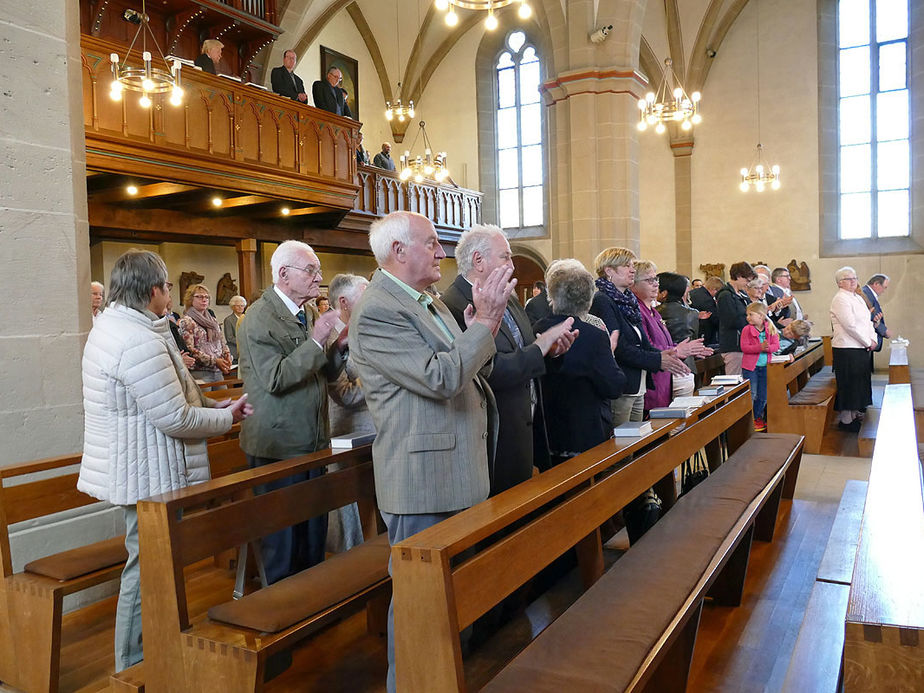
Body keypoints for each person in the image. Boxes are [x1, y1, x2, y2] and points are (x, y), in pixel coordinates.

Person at [348, 210, 514, 693]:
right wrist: (484, 322)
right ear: (398, 252)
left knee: (452, 598)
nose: (441, 253)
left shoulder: (430, 302)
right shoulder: (379, 309)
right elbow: (440, 378)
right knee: (420, 605)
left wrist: (476, 330)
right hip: (423, 480)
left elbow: (462, 367)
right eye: (430, 244)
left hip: (456, 467)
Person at [77, 249, 252, 671]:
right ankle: (133, 664)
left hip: (141, 465)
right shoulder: (134, 339)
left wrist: (213, 403)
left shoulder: (126, 328)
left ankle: (158, 650)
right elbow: (174, 415)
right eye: (168, 285)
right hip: (145, 471)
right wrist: (225, 417)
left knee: (152, 563)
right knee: (147, 566)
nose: (170, 292)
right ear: (153, 289)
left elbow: (177, 392)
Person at [237, 240, 346, 583]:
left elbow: (320, 374)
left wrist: (336, 350)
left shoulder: (307, 312)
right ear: (284, 274)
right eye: (311, 271)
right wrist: (316, 341)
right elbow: (275, 378)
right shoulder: (259, 318)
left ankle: (311, 607)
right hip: (278, 445)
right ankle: (281, 614)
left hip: (311, 441)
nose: (319, 278)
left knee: (312, 536)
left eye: (318, 270)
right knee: (282, 542)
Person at [442, 225, 577, 493]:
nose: (512, 266)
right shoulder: (455, 304)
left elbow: (524, 350)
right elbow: (487, 370)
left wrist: (552, 352)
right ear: (478, 260)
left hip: (524, 422)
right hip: (495, 433)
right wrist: (540, 347)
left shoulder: (508, 297)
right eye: (505, 257)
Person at [535, 259, 625, 467]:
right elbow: (613, 386)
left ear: (551, 296)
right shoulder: (594, 335)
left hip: (547, 434)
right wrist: (611, 358)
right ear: (588, 299)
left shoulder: (537, 329)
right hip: (585, 434)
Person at [589, 247, 688, 426]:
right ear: (609, 271)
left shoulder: (629, 301)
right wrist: (657, 360)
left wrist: (666, 356)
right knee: (621, 445)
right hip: (622, 385)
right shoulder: (603, 300)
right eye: (626, 265)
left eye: (633, 265)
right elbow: (618, 347)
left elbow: (642, 341)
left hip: (638, 384)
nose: (632, 269)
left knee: (636, 443)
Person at [326, 273, 371, 554]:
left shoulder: (361, 329)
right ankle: (353, 556)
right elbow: (343, 393)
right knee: (348, 507)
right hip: (346, 433)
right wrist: (382, 378)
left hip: (370, 430)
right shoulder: (330, 337)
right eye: (364, 295)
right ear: (343, 302)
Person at [830, 267, 878, 432]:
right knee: (849, 383)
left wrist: (873, 339)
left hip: (860, 347)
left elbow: (868, 322)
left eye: (855, 278)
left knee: (859, 382)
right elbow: (850, 325)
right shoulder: (840, 299)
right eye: (848, 279)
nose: (853, 281)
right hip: (847, 348)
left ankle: (856, 413)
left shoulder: (857, 298)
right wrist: (867, 341)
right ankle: (846, 421)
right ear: (840, 282)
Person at [657, 271, 713, 398]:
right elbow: (694, 338)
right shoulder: (692, 313)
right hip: (686, 364)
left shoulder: (655, 312)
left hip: (663, 364)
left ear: (664, 292)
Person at [178, 284, 232, 387]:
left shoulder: (212, 320)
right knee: (204, 402)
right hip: (200, 372)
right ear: (190, 299)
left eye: (206, 297)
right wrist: (214, 360)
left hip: (217, 370)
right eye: (199, 296)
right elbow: (190, 350)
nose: (204, 299)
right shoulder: (187, 321)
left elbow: (221, 341)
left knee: (224, 401)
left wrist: (227, 354)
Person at [740, 302, 780, 432]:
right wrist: (759, 347)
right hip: (751, 367)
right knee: (752, 393)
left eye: (751, 314)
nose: (748, 317)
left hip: (765, 367)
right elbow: (744, 347)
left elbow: (776, 345)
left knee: (763, 395)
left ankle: (757, 417)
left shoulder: (770, 328)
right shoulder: (747, 329)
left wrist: (768, 348)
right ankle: (748, 419)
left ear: (761, 316)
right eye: (747, 315)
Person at [716, 261, 757, 375]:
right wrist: (751, 319)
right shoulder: (725, 295)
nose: (748, 284)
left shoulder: (741, 295)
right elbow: (731, 321)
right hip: (734, 346)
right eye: (747, 280)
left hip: (745, 345)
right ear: (738, 276)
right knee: (735, 382)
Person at [861, 274, 892, 351]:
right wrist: (884, 331)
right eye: (884, 288)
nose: (883, 291)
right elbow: (871, 318)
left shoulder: (868, 294)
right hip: (866, 341)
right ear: (876, 284)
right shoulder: (866, 295)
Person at [688, 275, 722, 347]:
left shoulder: (693, 292)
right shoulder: (707, 299)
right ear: (714, 289)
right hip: (703, 331)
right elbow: (714, 318)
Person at [223, 295, 246, 363]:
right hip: (235, 352)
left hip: (246, 352)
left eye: (242, 305)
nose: (240, 307)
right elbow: (229, 338)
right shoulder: (228, 320)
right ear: (232, 307)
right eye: (237, 305)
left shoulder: (247, 318)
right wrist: (244, 342)